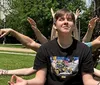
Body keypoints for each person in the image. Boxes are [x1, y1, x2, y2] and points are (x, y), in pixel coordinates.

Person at [8, 8, 100, 85]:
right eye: (61, 19)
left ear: (74, 26)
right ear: (55, 26)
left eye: (69, 19)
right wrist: (26, 82)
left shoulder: (84, 50)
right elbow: (39, 80)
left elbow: (88, 81)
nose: (65, 22)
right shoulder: (45, 49)